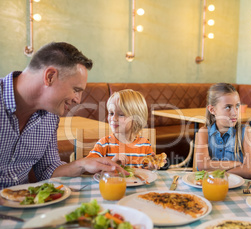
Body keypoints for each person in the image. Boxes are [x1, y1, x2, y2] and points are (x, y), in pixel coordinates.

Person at [0, 42, 125, 189]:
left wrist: (82, 164)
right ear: (50, 76)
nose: (78, 99)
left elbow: (47, 169)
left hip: (22, 205)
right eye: (76, 90)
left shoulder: (50, 116)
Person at [86, 89, 159, 169]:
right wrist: (111, 163)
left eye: (121, 115)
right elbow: (87, 167)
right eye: (111, 113)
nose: (113, 118)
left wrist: (151, 167)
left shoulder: (145, 145)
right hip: (111, 181)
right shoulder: (104, 144)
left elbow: (146, 170)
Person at [195, 83, 251, 179]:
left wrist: (215, 172)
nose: (235, 112)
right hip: (210, 187)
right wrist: (237, 164)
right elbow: (202, 166)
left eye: (237, 106)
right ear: (212, 110)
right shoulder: (204, 132)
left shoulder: (245, 131)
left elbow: (249, 171)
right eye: (228, 107)